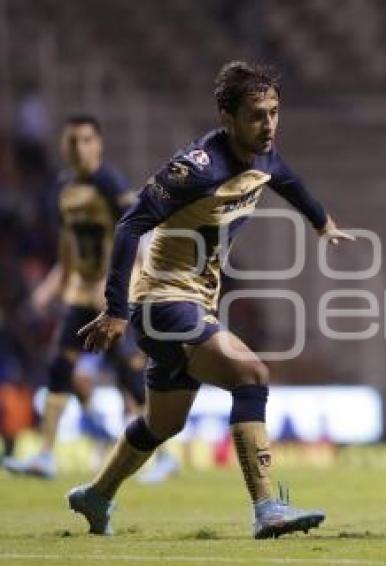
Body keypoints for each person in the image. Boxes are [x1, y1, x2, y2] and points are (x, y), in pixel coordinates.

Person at [72, 61, 354, 539]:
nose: (268, 126)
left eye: (274, 113)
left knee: (163, 423)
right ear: (226, 117)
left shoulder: (263, 154)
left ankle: (95, 495)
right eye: (256, 116)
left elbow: (286, 180)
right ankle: (268, 507)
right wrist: (117, 310)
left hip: (195, 303)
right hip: (161, 301)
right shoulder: (196, 169)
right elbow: (130, 225)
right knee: (252, 373)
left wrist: (321, 222)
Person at [1, 116, 171, 480]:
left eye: (87, 139)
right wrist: (48, 291)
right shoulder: (62, 189)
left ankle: (163, 454)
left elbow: (137, 235)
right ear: (64, 146)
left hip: (113, 296)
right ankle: (46, 455)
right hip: (81, 294)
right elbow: (68, 249)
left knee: (129, 375)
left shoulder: (110, 184)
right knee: (59, 367)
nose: (79, 147)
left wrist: (125, 289)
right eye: (73, 140)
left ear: (99, 144)